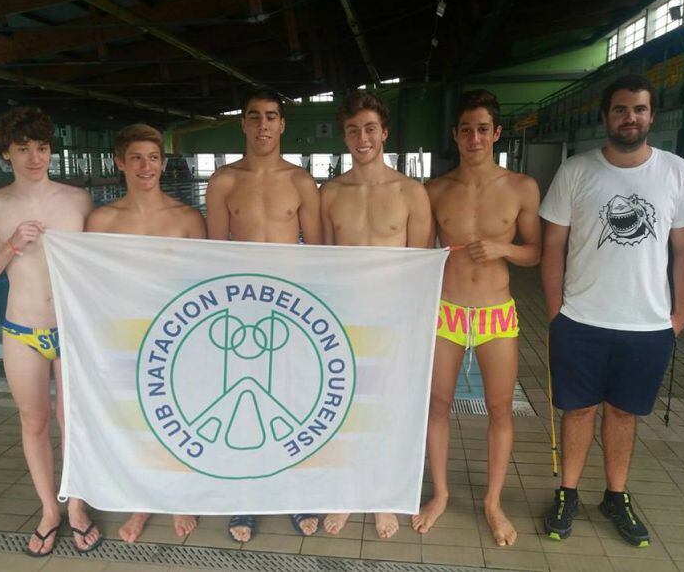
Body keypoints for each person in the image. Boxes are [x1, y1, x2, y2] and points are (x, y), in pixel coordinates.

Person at [540, 74, 684, 547]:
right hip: (580, 320)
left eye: (639, 109)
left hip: (647, 325)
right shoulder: (576, 171)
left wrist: (681, 316)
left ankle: (616, 494)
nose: (629, 118)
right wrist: (555, 311)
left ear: (652, 115)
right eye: (620, 109)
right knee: (578, 412)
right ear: (605, 117)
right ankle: (568, 493)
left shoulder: (675, 172)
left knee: (623, 414)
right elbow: (553, 246)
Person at [0, 107, 100, 556]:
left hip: (72, 328)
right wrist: (10, 246)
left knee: (72, 421)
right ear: (6, 153)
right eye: (23, 149)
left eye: (41, 148)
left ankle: (77, 504)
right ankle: (49, 510)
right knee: (35, 421)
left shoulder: (77, 200)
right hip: (22, 329)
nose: (35, 157)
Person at [413, 89, 541, 546]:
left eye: (482, 129)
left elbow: (535, 252)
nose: (474, 137)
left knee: (500, 409)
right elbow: (417, 252)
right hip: (446, 311)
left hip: (494, 315)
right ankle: (441, 493)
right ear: (456, 135)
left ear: (497, 133)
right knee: (439, 405)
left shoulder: (521, 187)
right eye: (466, 129)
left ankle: (492, 501)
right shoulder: (435, 189)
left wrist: (504, 248)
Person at [206, 86, 322, 542]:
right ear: (243, 122)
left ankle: (295, 492)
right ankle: (245, 496)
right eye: (254, 117)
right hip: (240, 310)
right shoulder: (223, 181)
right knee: (242, 403)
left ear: (282, 123)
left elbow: (317, 254)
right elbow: (214, 256)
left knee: (294, 404)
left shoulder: (300, 181)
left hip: (291, 310)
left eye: (271, 116)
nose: (263, 125)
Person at [319, 92, 431, 539]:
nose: (362, 138)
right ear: (344, 136)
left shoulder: (411, 192)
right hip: (344, 319)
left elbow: (419, 266)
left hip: (392, 317)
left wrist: (406, 324)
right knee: (347, 411)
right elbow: (324, 263)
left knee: (388, 410)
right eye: (352, 130)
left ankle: (384, 496)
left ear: (384, 132)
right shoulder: (330, 192)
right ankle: (350, 491)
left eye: (369, 128)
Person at [86, 123, 205, 542]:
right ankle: (141, 502)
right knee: (136, 423)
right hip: (125, 338)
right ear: (119, 162)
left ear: (164, 163)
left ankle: (175, 497)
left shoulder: (188, 218)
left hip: (177, 340)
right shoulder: (101, 221)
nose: (145, 166)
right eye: (135, 157)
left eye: (153, 158)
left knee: (175, 420)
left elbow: (205, 286)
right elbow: (88, 286)